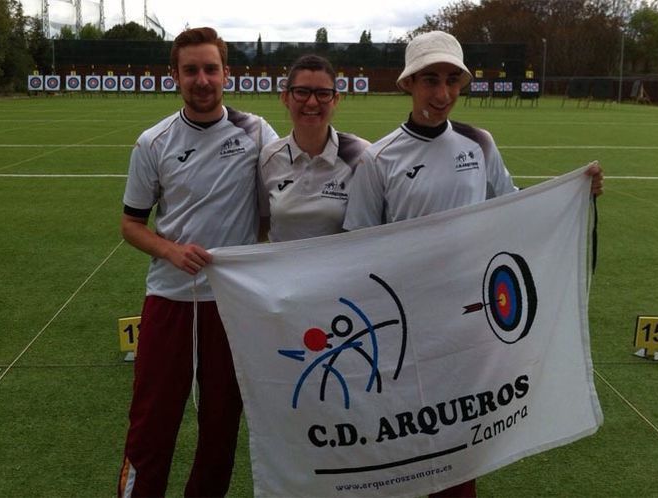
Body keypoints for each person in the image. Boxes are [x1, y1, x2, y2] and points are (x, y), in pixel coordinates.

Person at [343, 30, 604, 498]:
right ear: (409, 84)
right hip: (407, 324)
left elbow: (513, 208)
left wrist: (574, 193)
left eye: (451, 81)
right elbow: (357, 248)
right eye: (429, 80)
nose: (441, 94)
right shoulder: (378, 159)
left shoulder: (478, 144)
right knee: (406, 435)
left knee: (461, 436)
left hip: (472, 319)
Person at [117, 27, 278, 497]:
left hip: (230, 305)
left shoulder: (256, 132)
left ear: (228, 74)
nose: (202, 79)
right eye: (191, 70)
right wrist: (171, 250)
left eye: (211, 68)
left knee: (221, 423)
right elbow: (131, 224)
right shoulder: (154, 142)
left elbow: (276, 208)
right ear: (175, 76)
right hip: (169, 298)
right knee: (151, 421)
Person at [258, 54, 370, 242]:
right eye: (302, 92)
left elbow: (373, 230)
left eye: (323, 93)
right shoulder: (269, 157)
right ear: (286, 97)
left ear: (335, 99)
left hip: (340, 271)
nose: (311, 102)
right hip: (283, 270)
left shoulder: (361, 154)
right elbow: (262, 224)